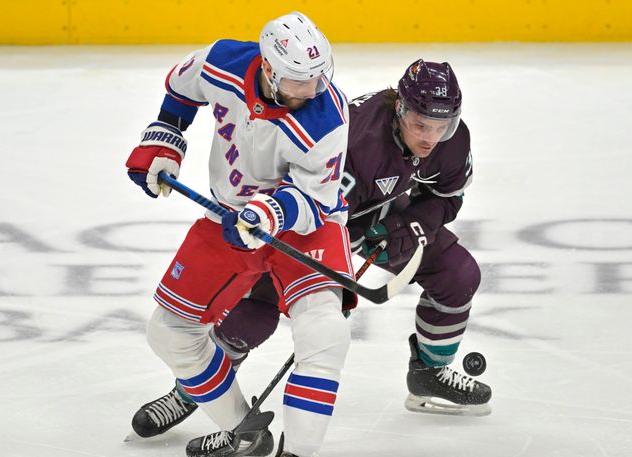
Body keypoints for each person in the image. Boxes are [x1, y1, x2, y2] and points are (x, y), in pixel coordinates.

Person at [125, 12, 352, 457]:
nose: (310, 89)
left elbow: (316, 198)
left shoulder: (327, 117)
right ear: (268, 70)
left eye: (318, 77)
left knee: (325, 330)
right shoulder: (224, 61)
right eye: (297, 79)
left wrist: (269, 213)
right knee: (169, 332)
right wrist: (164, 140)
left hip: (303, 226)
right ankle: (244, 433)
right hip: (226, 212)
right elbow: (180, 90)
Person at [204, 59, 492, 417]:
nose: (431, 137)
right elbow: (320, 213)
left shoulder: (452, 139)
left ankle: (428, 374)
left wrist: (413, 225)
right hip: (308, 215)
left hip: (378, 206)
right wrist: (332, 277)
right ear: (401, 108)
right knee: (258, 310)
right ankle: (194, 386)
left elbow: (447, 196)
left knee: (457, 274)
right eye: (421, 124)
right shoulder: (356, 144)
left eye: (441, 127)